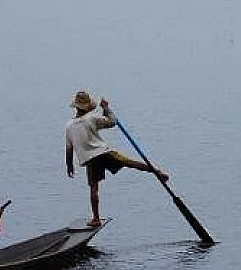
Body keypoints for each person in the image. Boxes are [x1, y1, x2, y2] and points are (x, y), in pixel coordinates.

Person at [65, 90, 169, 227]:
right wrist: (106, 108)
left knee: (93, 188)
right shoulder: (92, 119)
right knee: (129, 162)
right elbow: (112, 122)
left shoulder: (69, 126)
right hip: (103, 153)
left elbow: (69, 149)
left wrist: (69, 166)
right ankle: (158, 172)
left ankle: (96, 218)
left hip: (90, 159)